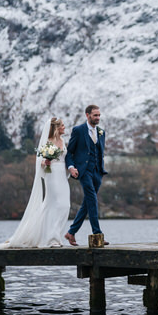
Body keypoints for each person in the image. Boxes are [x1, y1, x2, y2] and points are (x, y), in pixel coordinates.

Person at [0, 118, 70, 248]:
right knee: (53, 204)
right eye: (62, 126)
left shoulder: (63, 141)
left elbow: (65, 158)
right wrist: (46, 162)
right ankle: (51, 239)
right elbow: (41, 161)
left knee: (65, 205)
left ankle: (54, 235)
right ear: (56, 128)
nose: (65, 127)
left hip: (62, 175)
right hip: (51, 175)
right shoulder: (48, 142)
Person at [64, 104, 108, 246]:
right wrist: (71, 167)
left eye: (99, 115)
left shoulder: (101, 132)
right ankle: (97, 233)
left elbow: (100, 152)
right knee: (92, 199)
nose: (98, 117)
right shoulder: (78, 130)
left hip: (98, 172)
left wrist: (100, 169)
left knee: (87, 203)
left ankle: (71, 232)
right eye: (95, 115)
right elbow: (69, 152)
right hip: (84, 171)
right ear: (87, 115)